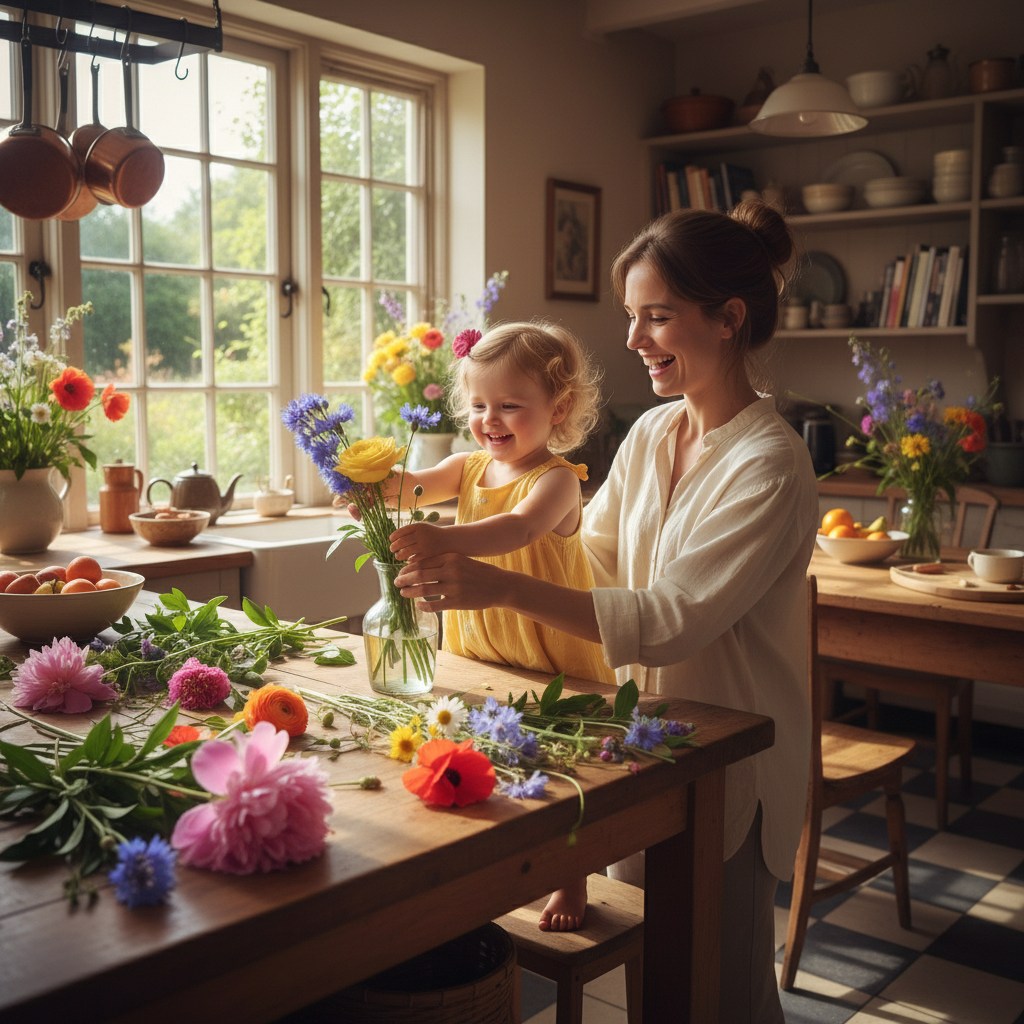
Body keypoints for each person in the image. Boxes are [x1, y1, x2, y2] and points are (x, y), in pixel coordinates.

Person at [394, 201, 819, 1023]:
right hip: (641, 741)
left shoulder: (772, 465)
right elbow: (595, 563)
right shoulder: (655, 432)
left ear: (728, 318)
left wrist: (506, 584)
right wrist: (503, 530)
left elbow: (669, 619)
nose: (633, 340)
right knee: (657, 982)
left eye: (656, 317)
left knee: (720, 993)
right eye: (632, 317)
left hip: (730, 762)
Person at [385, 321, 615, 933]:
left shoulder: (559, 479)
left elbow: (516, 531)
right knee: (490, 753)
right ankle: (490, 861)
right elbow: (408, 488)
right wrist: (368, 484)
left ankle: (572, 877)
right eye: (481, 404)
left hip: (551, 656)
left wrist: (442, 536)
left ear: (557, 408)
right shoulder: (464, 466)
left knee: (564, 772)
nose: (492, 419)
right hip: (483, 649)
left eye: (510, 405)